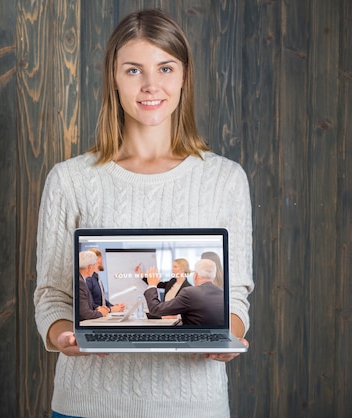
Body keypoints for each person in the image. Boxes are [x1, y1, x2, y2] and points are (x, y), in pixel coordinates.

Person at [34, 9, 253, 418]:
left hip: (194, 406)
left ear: (184, 76)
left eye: (165, 68)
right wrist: (65, 335)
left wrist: (225, 339)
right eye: (133, 70)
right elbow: (51, 296)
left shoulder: (225, 179)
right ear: (114, 79)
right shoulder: (70, 180)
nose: (151, 85)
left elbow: (235, 296)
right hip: (87, 405)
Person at [143, 259, 224, 326]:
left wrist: (152, 285)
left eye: (175, 267)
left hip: (193, 341)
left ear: (195, 275)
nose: (172, 269)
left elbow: (156, 309)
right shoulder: (223, 293)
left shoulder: (190, 292)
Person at [86, 248, 125, 313]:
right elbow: (91, 304)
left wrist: (113, 306)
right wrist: (110, 309)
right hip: (95, 318)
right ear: (98, 260)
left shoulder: (97, 278)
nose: (103, 261)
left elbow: (101, 300)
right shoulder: (89, 279)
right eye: (102, 258)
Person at [78, 251, 109, 320]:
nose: (95, 269)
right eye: (94, 266)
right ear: (89, 267)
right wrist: (101, 313)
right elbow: (85, 314)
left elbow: (86, 304)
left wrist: (97, 308)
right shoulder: (80, 282)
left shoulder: (81, 280)